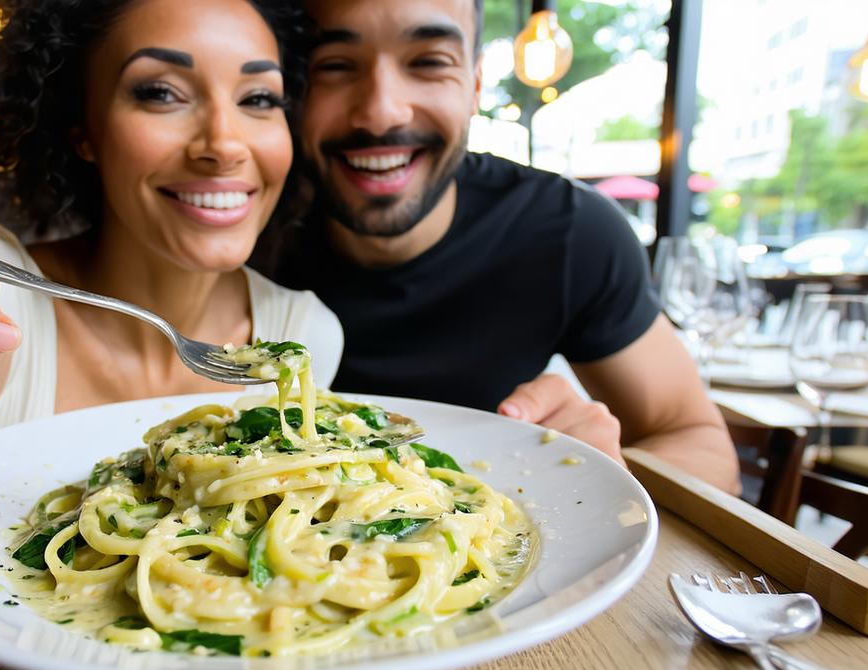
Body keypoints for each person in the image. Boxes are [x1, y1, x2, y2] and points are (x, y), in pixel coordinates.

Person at [0, 0, 341, 619]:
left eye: (259, 99)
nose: (224, 145)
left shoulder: (302, 333)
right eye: (160, 93)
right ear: (83, 131)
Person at [252, 0, 740, 492]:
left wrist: (607, 478)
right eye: (334, 66)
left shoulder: (567, 230)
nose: (381, 111)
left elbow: (702, 447)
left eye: (428, 62)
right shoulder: (236, 225)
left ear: (476, 84)